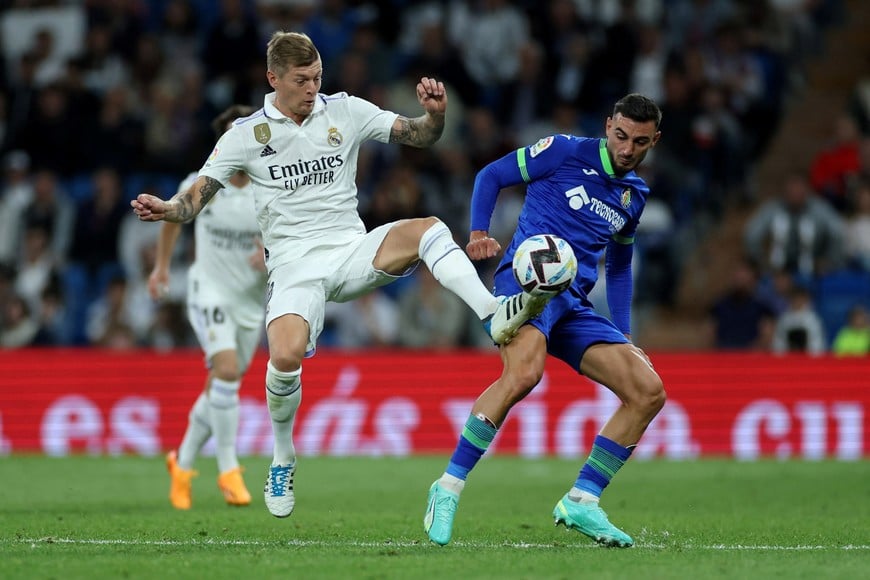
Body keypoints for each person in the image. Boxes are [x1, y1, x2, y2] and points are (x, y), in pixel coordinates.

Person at [131, 31, 539, 519]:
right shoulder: (244, 135)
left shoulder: (344, 110)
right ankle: (283, 458)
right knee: (282, 357)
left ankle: (493, 313)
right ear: (273, 79)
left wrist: (435, 116)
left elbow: (419, 135)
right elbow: (194, 197)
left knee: (429, 228)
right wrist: (167, 210)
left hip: (350, 249)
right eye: (302, 80)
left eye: (318, 77)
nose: (312, 88)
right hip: (294, 267)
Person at [424, 94, 667, 548]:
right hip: (527, 286)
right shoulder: (563, 151)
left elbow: (618, 266)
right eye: (620, 135)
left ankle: (583, 500)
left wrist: (626, 334)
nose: (627, 149)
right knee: (524, 374)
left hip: (574, 304)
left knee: (648, 392)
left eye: (639, 141)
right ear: (607, 124)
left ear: (655, 140)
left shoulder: (635, 196)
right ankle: (448, 486)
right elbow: (491, 175)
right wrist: (478, 232)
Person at [151, 104, 265, 510]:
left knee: (221, 383)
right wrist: (162, 268)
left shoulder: (268, 185)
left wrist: (270, 253)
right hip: (209, 290)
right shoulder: (204, 182)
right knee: (228, 371)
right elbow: (172, 217)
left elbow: (291, 234)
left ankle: (180, 464)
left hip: (252, 300)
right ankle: (229, 468)